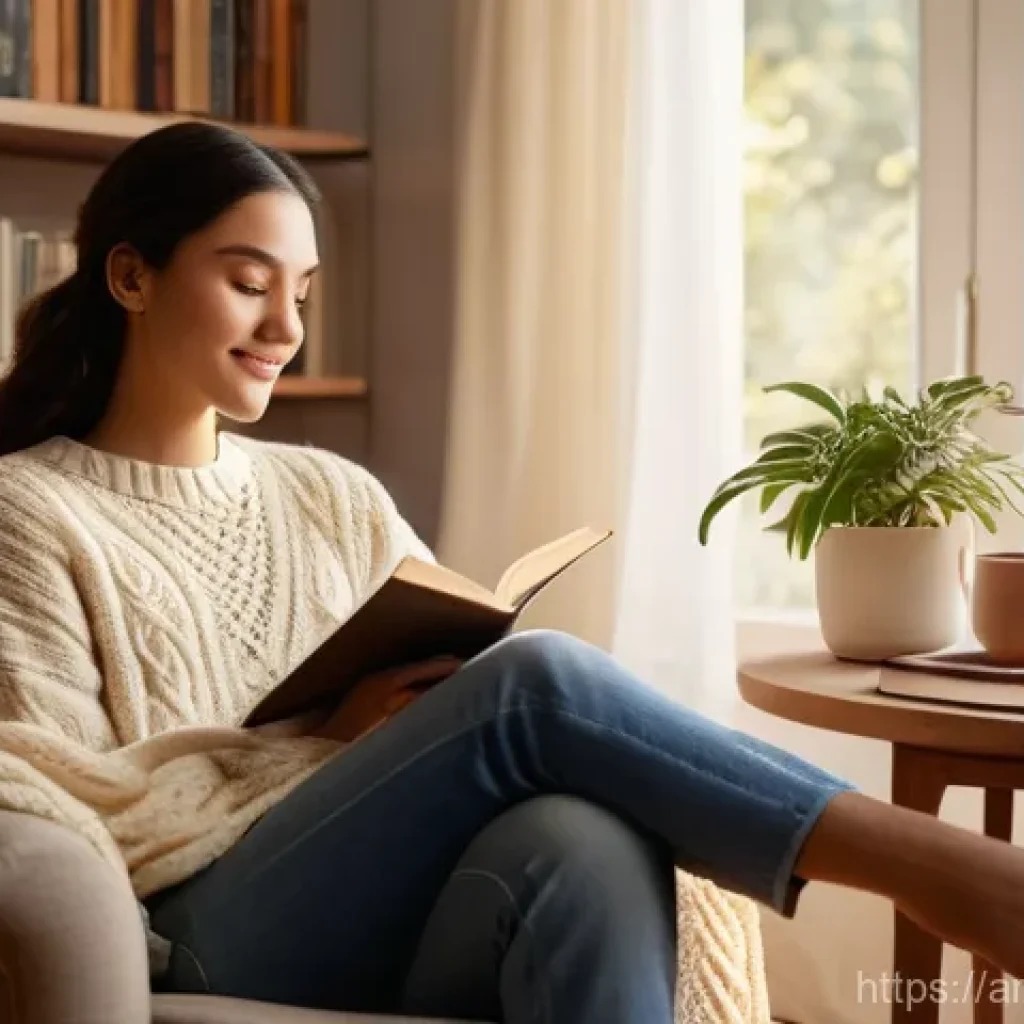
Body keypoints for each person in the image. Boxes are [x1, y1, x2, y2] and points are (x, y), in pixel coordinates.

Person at [0, 121, 1019, 1024]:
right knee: (534, 686)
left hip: (382, 900)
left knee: (579, 839)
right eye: (249, 283)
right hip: (199, 924)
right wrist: (325, 740)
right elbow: (62, 796)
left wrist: (401, 719)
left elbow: (445, 702)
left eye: (302, 293)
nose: (286, 329)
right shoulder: (30, 510)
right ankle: (943, 873)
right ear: (130, 277)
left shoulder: (330, 494)